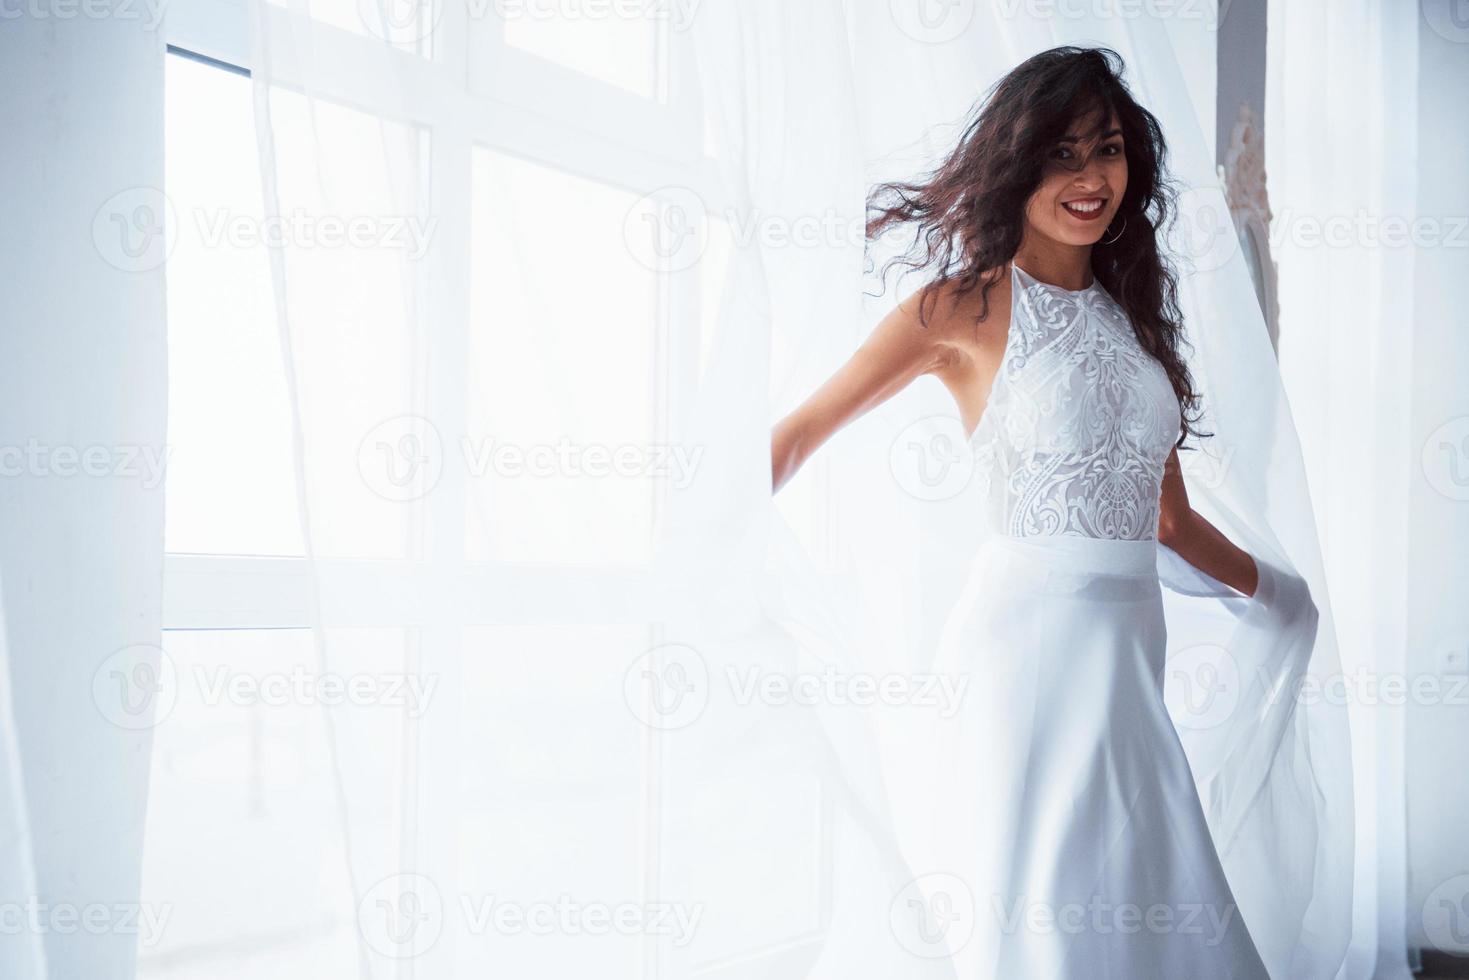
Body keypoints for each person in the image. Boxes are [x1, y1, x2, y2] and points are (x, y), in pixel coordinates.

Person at [770, 46, 1304, 976]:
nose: (1089, 177)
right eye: (1060, 154)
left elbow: (1165, 521)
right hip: (1021, 655)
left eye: (1105, 150)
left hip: (1127, 659)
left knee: (1147, 890)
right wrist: (702, 537)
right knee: (1034, 900)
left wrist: (1276, 592)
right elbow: (798, 432)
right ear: (1016, 165)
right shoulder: (959, 308)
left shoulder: (1135, 319)